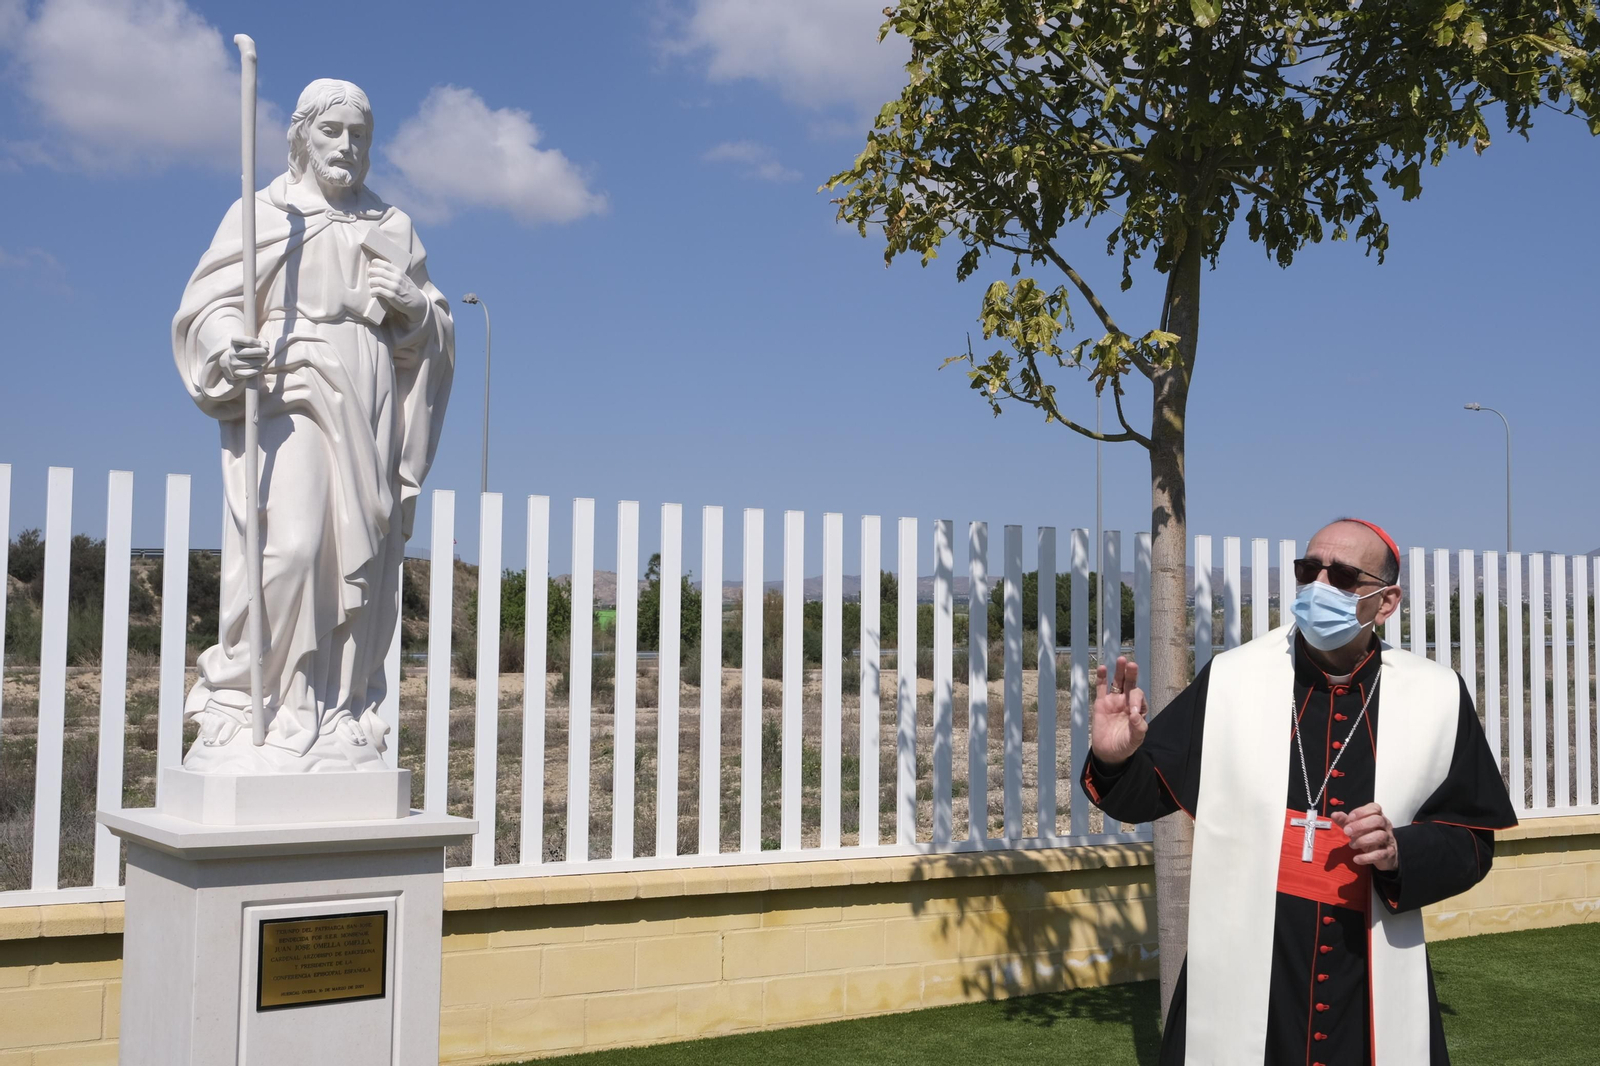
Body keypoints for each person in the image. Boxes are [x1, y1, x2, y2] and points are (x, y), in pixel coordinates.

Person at [1084, 518, 1515, 1065]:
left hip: (1367, 972)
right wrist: (1114, 756)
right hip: (1253, 964)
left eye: (1341, 576)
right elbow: (1145, 794)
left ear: (1386, 602)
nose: (1318, 587)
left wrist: (1399, 851)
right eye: (1309, 571)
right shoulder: (1233, 679)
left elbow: (1472, 839)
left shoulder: (1437, 695)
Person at [172, 79, 454, 771]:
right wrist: (224, 347)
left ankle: (339, 706)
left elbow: (433, 333)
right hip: (290, 385)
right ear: (301, 136)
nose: (348, 147)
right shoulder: (262, 215)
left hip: (370, 396)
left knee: (362, 560)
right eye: (333, 132)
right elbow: (208, 306)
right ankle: (252, 702)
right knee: (294, 548)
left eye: (360, 135)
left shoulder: (391, 225)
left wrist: (415, 309)